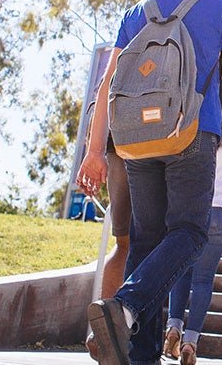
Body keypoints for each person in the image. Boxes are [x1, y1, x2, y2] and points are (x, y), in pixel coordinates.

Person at [76, 0, 222, 364]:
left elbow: (108, 86)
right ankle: (123, 306)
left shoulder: (137, 11)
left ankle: (142, 357)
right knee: (191, 233)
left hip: (138, 139)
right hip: (192, 134)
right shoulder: (221, 8)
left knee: (146, 242)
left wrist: (95, 150)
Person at [162, 81, 222, 365]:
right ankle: (191, 342)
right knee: (203, 279)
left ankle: (173, 326)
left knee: (181, 272)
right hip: (220, 210)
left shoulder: (196, 123)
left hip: (190, 205)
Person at [83, 103, 133, 361]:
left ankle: (102, 329)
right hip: (154, 144)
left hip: (118, 143)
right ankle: (119, 329)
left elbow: (103, 94)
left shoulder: (118, 60)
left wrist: (94, 151)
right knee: (149, 245)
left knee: (123, 243)